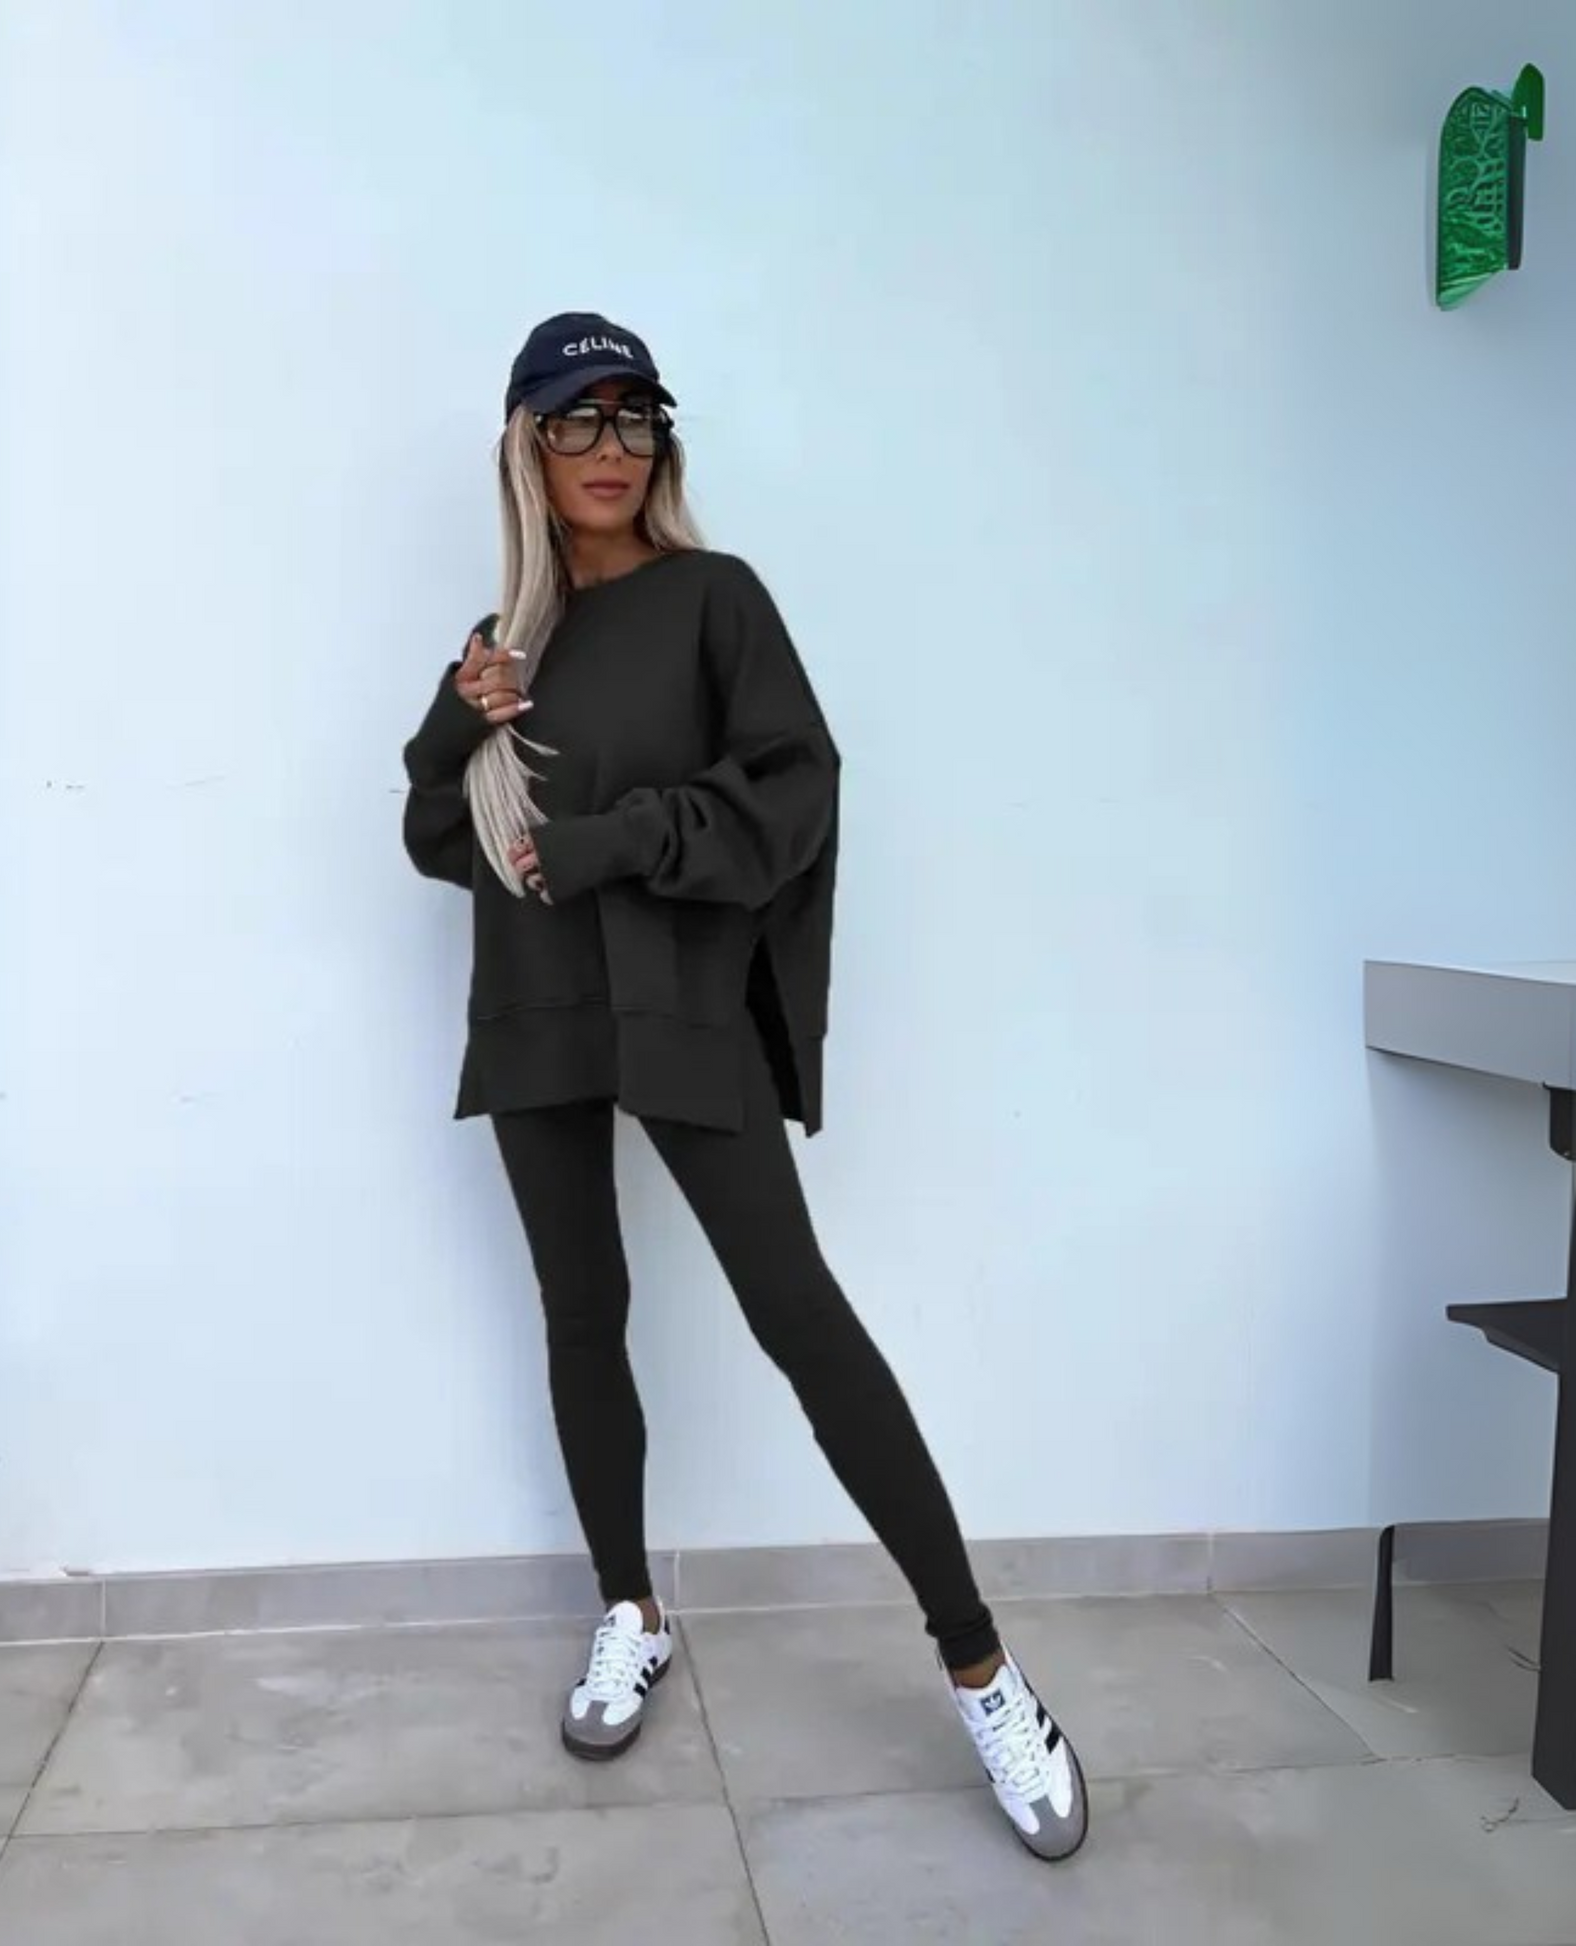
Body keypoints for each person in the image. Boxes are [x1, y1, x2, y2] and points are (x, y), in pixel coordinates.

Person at [401, 312, 1086, 1862]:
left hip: (678, 1003)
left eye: (635, 417)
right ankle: (628, 1610)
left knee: (799, 1317)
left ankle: (981, 1666)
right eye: (574, 419)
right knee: (581, 1313)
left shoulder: (716, 600)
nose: (609, 448)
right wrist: (456, 716)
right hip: (537, 1007)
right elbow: (442, 839)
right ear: (522, 446)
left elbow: (793, 792)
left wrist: (614, 840)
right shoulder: (508, 637)